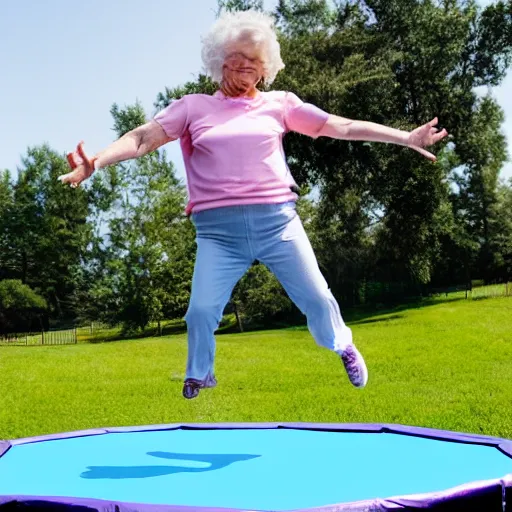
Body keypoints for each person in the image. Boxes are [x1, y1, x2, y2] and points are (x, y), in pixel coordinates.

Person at [59, 10, 448, 399]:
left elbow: (340, 126)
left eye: (255, 61)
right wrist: (98, 161)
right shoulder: (192, 107)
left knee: (316, 296)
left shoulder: (280, 104)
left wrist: (404, 137)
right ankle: (199, 373)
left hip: (277, 224)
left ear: (265, 68)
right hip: (217, 234)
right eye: (237, 57)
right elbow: (143, 138)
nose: (246, 66)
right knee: (199, 312)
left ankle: (342, 345)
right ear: (219, 61)